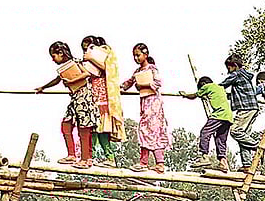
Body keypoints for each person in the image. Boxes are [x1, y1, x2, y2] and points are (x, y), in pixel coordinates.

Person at [37, 41, 97, 168]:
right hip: (75, 98)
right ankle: (72, 154)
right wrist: (43, 87)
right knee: (66, 124)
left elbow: (86, 74)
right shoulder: (64, 67)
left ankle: (86, 159)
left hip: (83, 96)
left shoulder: (75, 62)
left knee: (84, 128)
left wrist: (71, 81)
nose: (53, 60)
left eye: (54, 56)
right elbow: (57, 80)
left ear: (60, 53)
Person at [121, 43, 170, 173]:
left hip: (153, 103)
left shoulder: (152, 68)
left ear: (145, 55)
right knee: (145, 130)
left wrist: (143, 84)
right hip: (145, 103)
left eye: (138, 55)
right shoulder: (138, 72)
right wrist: (119, 88)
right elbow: (128, 83)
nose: (136, 58)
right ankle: (146, 161)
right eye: (134, 56)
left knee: (153, 130)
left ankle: (156, 162)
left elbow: (158, 83)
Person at [81, 35, 124, 167]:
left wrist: (91, 58)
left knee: (103, 130)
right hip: (93, 97)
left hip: (104, 96)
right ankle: (90, 156)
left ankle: (109, 158)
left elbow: (107, 69)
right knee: (93, 129)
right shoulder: (89, 59)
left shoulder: (106, 54)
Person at [182, 77, 233, 173]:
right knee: (220, 138)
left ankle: (204, 156)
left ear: (203, 84)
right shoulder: (220, 88)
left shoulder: (207, 86)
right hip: (228, 116)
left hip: (219, 114)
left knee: (205, 132)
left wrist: (185, 95)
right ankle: (223, 161)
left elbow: (194, 95)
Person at [221, 54, 261, 171]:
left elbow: (221, 86)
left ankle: (258, 147)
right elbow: (237, 94)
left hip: (245, 108)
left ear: (234, 65)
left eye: (229, 67)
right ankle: (247, 164)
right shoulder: (244, 76)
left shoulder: (236, 75)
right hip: (252, 107)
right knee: (243, 136)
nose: (228, 70)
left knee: (235, 131)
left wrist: (210, 90)